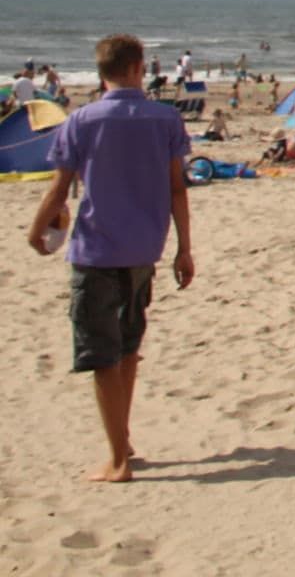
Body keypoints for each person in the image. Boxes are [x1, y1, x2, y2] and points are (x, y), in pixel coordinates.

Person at [26, 33, 195, 482]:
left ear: (101, 73)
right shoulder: (166, 119)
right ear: (140, 68)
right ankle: (123, 438)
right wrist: (185, 248)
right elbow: (178, 189)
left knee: (101, 352)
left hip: (97, 249)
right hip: (144, 247)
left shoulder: (81, 120)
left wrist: (35, 230)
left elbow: (60, 190)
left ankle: (118, 460)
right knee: (127, 346)